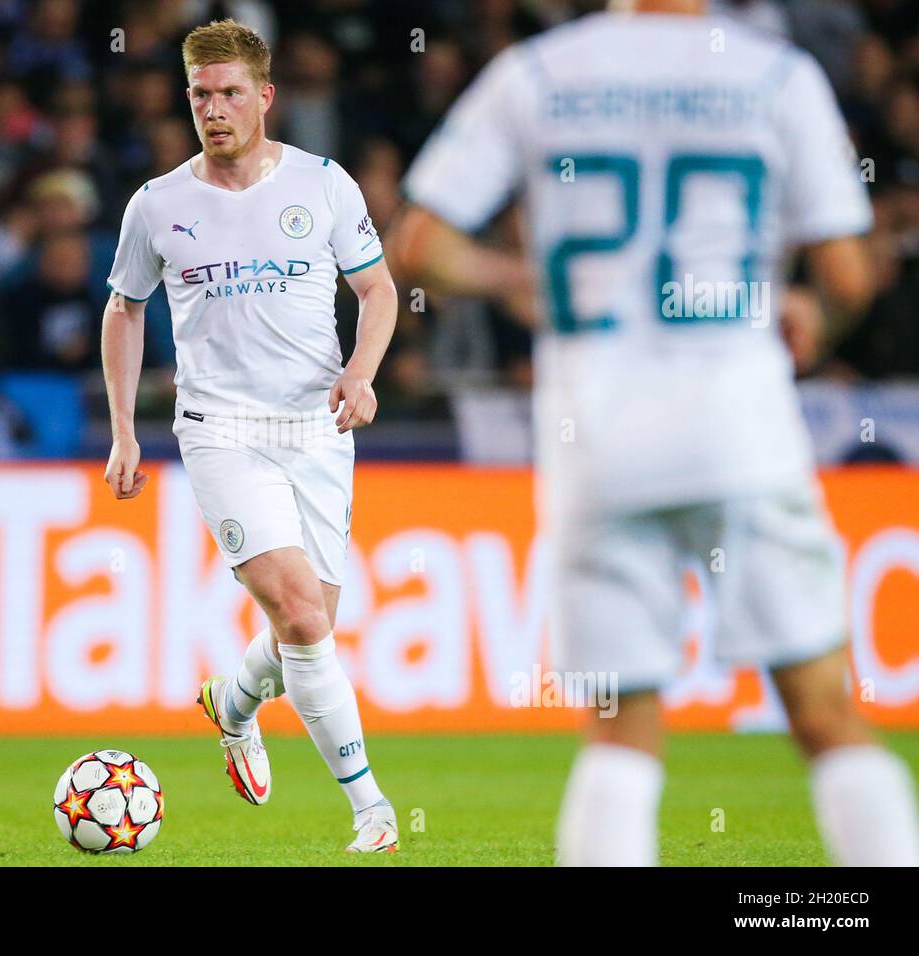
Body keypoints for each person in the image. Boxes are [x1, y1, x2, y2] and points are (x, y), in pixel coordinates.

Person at [391, 0, 919, 866]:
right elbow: (850, 272)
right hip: (738, 428)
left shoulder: (538, 73)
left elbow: (419, 242)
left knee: (619, 736)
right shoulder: (774, 74)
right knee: (825, 712)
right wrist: (811, 317)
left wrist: (524, 278)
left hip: (595, 440)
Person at [101, 19, 401, 852]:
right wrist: (124, 431)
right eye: (201, 95)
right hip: (220, 430)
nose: (215, 109)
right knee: (303, 618)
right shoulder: (158, 204)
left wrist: (363, 373)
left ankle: (231, 705)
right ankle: (371, 808)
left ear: (265, 97)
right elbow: (124, 308)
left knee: (310, 624)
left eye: (232, 93)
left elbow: (378, 292)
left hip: (316, 427)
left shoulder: (324, 184)